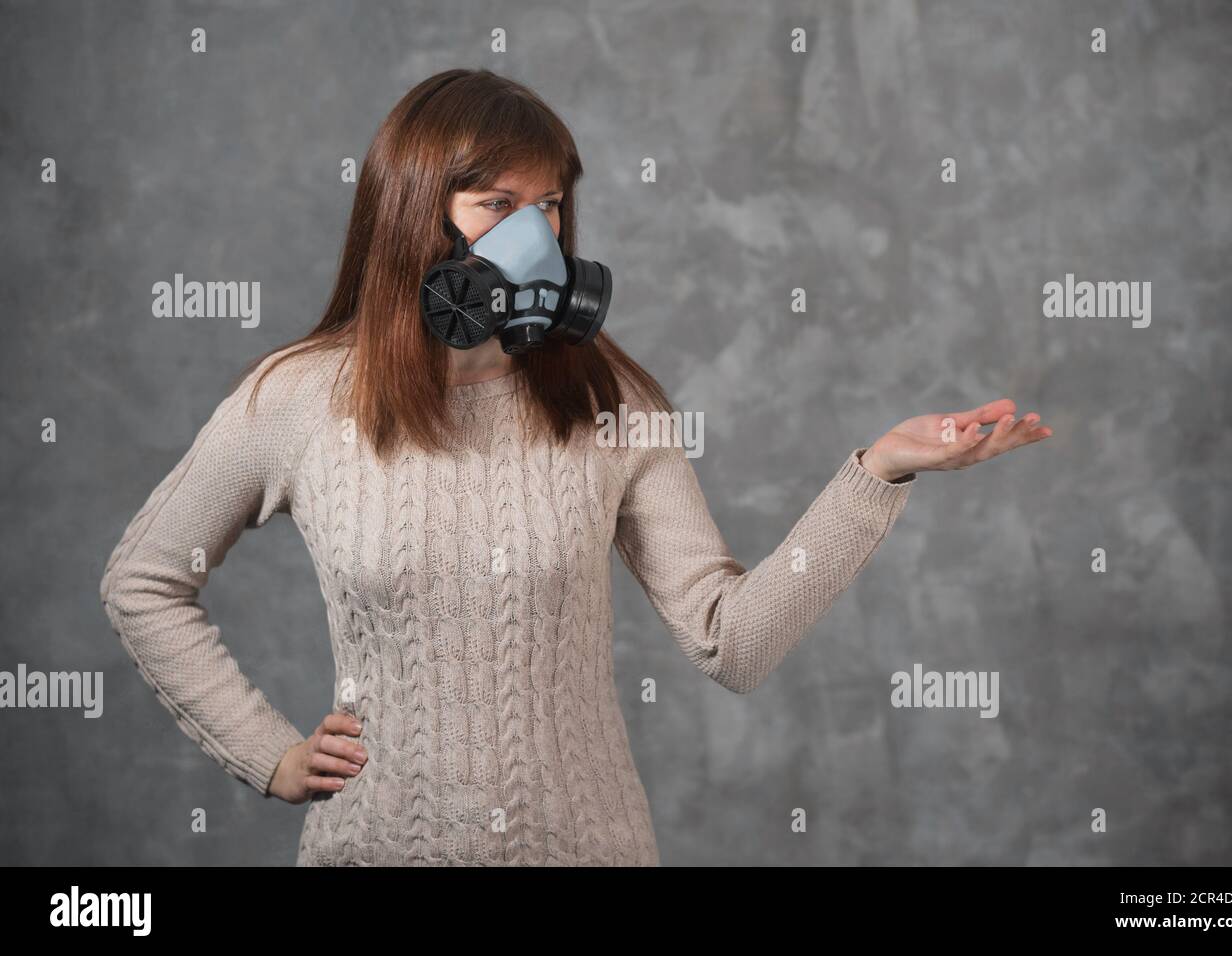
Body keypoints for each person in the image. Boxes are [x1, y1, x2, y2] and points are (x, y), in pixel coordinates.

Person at [99, 68, 1051, 866]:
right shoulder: (299, 398)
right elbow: (144, 580)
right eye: (500, 205)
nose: (538, 236)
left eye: (550, 203)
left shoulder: (609, 401)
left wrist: (878, 472)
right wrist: (267, 753)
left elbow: (733, 641)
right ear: (412, 213)